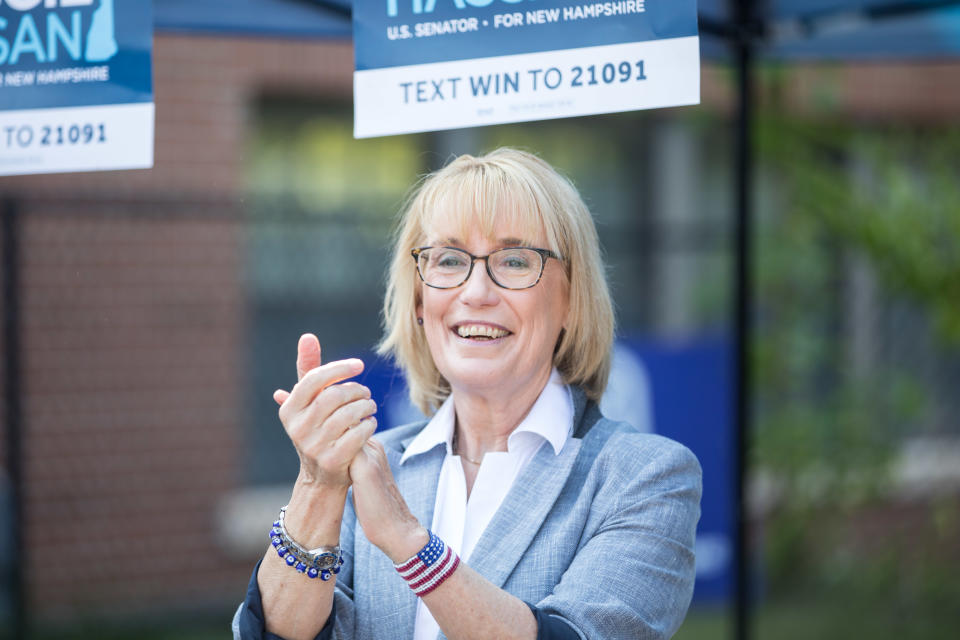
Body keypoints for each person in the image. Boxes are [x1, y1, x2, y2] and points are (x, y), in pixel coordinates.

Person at [234, 148, 701, 640]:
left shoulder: (644, 477)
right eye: (450, 260)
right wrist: (318, 484)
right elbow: (280, 635)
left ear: (571, 298)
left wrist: (410, 544)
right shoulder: (369, 466)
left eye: (516, 260)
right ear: (419, 300)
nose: (476, 292)